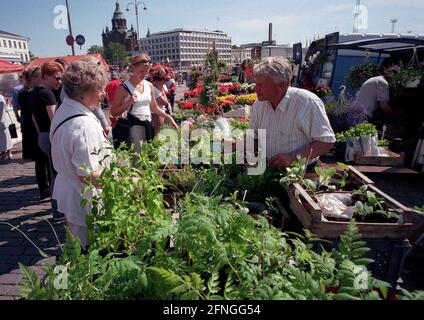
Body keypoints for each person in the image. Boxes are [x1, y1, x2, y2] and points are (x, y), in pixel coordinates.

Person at [50, 60, 112, 248]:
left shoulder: (64, 110)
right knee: (90, 251)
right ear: (85, 91)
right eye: (100, 89)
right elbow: (88, 175)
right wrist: (127, 182)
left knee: (77, 246)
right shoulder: (83, 124)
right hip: (85, 200)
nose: (103, 94)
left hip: (72, 193)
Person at [249, 57, 336, 170]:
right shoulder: (259, 105)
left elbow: (326, 142)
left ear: (281, 85)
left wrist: (293, 157)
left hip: (302, 173)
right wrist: (235, 145)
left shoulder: (306, 103)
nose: (255, 88)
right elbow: (254, 138)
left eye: (260, 85)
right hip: (268, 170)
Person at [111, 54, 178, 153]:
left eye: (146, 72)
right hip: (133, 127)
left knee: (147, 156)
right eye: (141, 71)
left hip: (147, 125)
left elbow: (154, 108)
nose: (144, 74)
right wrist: (128, 103)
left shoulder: (149, 85)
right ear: (133, 68)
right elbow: (113, 112)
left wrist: (169, 117)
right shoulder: (123, 88)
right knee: (136, 160)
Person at [19, 67, 51, 200]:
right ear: (33, 79)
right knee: (43, 161)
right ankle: (46, 189)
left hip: (31, 128)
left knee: (40, 161)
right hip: (36, 128)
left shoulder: (24, 92)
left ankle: (44, 189)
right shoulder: (32, 93)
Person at [150, 65, 171, 133]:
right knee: (158, 133)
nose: (164, 83)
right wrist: (162, 91)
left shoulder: (157, 89)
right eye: (164, 80)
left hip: (158, 113)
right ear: (160, 80)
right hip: (156, 115)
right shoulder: (155, 90)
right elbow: (165, 102)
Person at [0, 92, 13, 161]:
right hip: (3, 122)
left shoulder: (0, 98)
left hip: (1, 123)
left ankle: (5, 154)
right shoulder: (1, 97)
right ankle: (8, 153)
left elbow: (1, 112)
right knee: (6, 140)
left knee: (4, 140)